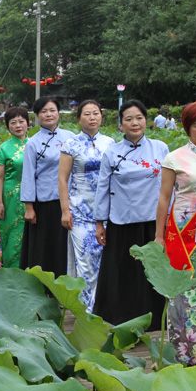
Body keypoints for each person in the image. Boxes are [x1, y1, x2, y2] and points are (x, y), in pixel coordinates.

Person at [154, 100, 196, 364]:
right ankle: (182, 353)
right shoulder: (175, 157)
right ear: (187, 127)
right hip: (183, 232)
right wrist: (159, 236)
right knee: (184, 292)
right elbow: (163, 198)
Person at [93, 100, 168, 327]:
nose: (135, 123)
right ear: (121, 124)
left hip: (153, 222)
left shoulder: (161, 148)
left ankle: (155, 321)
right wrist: (99, 223)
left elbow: (168, 188)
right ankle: (123, 320)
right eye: (128, 119)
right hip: (122, 221)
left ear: (147, 120)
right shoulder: (112, 152)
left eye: (139, 118)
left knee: (152, 274)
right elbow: (102, 188)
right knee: (123, 274)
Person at [59, 100, 114, 311]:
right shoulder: (70, 145)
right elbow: (62, 179)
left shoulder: (111, 143)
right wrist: (65, 210)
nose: (92, 117)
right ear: (79, 118)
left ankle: (102, 307)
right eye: (87, 114)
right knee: (85, 262)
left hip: (107, 212)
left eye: (96, 113)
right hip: (79, 210)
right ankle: (87, 311)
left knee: (103, 262)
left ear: (101, 116)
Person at [20, 97, 74, 276]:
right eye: (43, 111)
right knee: (46, 246)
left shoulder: (70, 137)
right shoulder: (32, 143)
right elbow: (28, 175)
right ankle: (46, 288)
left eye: (52, 110)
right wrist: (29, 207)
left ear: (58, 112)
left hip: (69, 200)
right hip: (45, 201)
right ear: (37, 116)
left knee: (65, 245)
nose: (48, 114)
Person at [0, 106, 29, 268]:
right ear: (8, 126)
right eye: (13, 122)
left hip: (33, 198)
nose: (18, 125)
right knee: (11, 236)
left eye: (21, 121)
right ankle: (11, 273)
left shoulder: (35, 144)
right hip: (11, 198)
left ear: (28, 123)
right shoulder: (3, 148)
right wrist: (0, 202)